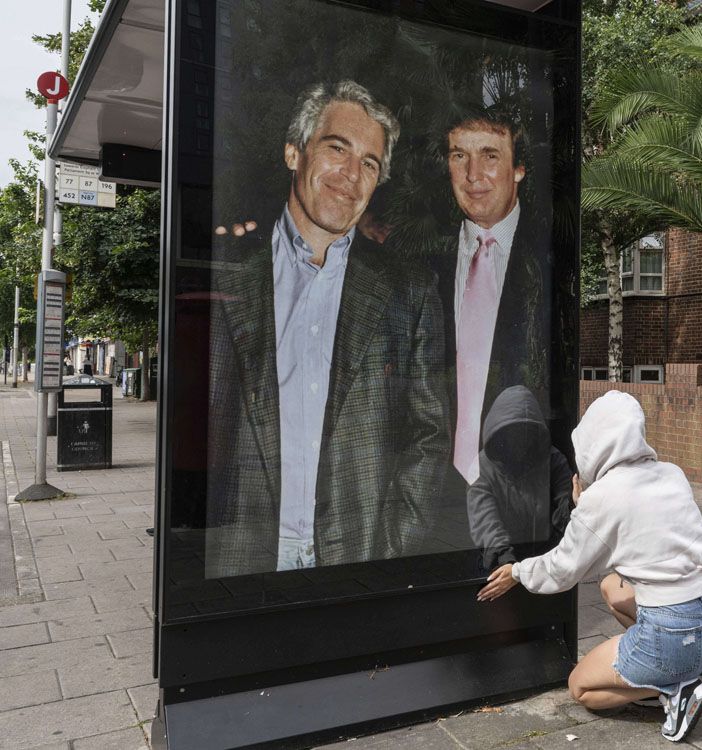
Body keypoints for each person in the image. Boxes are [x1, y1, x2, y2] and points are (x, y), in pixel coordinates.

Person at [205, 80, 450, 578]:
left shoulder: (409, 291)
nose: (351, 175)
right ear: (294, 152)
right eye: (337, 148)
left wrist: (391, 551)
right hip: (241, 557)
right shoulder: (223, 271)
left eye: (370, 163)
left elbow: (427, 437)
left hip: (357, 560)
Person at [478, 390, 702, 743]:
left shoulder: (603, 498)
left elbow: (563, 570)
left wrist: (517, 571)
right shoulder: (671, 473)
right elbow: (638, 527)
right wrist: (587, 509)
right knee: (612, 587)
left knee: (581, 688)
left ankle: (674, 691)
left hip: (674, 635)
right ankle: (677, 673)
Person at [431, 106, 550, 487]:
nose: (472, 175)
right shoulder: (424, 264)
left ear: (519, 169)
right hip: (437, 495)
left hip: (520, 490)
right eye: (459, 156)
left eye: (490, 156)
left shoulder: (548, 260)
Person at [466, 385, 572, 573]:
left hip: (545, 564)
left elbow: (566, 507)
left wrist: (573, 507)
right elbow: (485, 521)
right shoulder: (482, 467)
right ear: (501, 432)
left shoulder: (553, 460)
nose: (521, 438)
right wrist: (505, 561)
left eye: (527, 430)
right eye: (514, 430)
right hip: (501, 563)